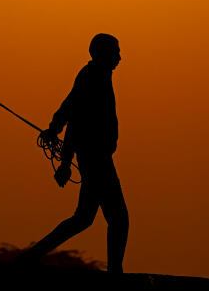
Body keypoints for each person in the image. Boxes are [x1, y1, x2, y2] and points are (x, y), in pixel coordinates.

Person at [19, 33, 128, 273]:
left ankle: (31, 256)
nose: (120, 57)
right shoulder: (92, 77)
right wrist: (64, 158)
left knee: (83, 219)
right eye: (116, 51)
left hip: (95, 158)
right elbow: (74, 115)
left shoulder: (96, 76)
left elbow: (70, 110)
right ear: (103, 54)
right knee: (119, 219)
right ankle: (115, 274)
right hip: (96, 159)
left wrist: (58, 137)